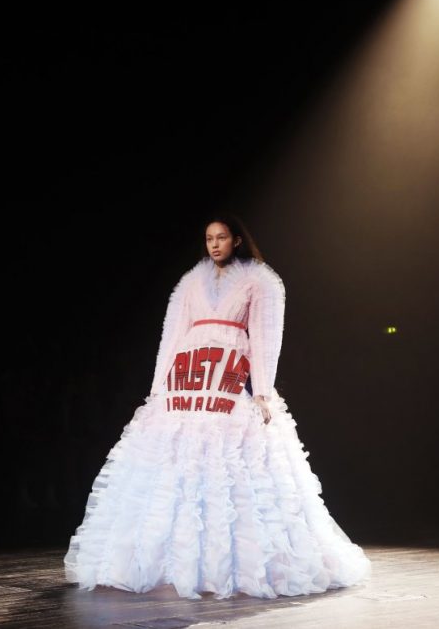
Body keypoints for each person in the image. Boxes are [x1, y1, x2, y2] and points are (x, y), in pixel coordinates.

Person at [64, 212, 372, 599]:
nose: (214, 244)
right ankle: (169, 560)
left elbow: (265, 335)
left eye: (221, 237)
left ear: (237, 240)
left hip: (228, 370)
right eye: (209, 237)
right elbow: (171, 334)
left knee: (229, 458)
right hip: (189, 374)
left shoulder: (259, 280)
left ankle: (229, 561)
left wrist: (262, 390)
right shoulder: (191, 282)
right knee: (178, 460)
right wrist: (158, 388)